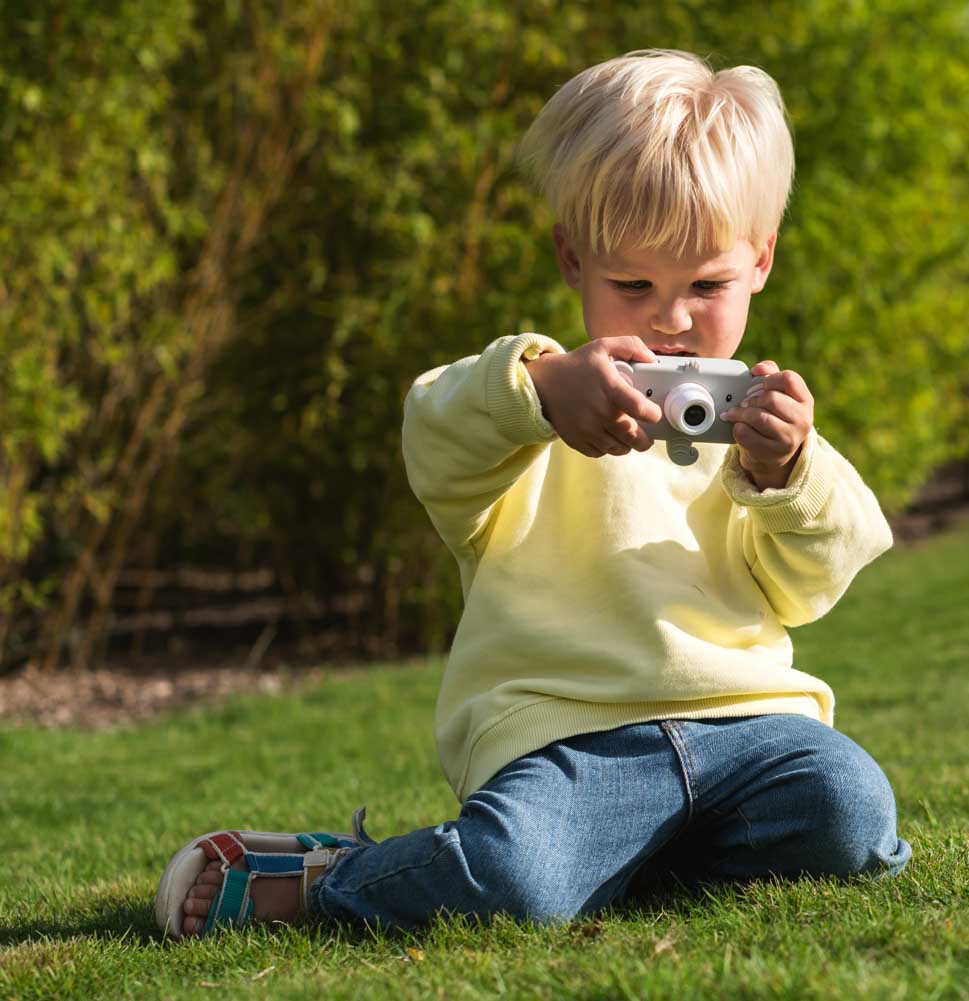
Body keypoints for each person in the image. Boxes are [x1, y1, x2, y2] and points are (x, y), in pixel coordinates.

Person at [156, 48, 911, 939]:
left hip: (748, 728)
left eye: (706, 284)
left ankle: (620, 864)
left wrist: (790, 473)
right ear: (572, 258)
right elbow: (432, 430)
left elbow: (812, 581)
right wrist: (546, 392)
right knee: (517, 874)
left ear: (761, 262)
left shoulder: (760, 422)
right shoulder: (526, 410)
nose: (671, 318)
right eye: (633, 283)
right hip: (569, 742)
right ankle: (333, 878)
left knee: (850, 804)